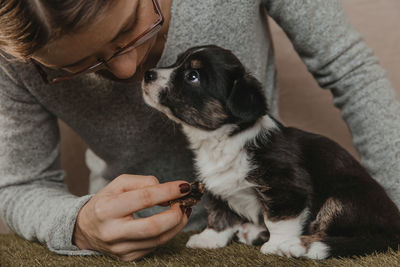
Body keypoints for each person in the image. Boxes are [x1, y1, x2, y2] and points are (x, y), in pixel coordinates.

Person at [0, 0, 399, 261]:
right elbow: (18, 184)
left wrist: (387, 216)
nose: (126, 72)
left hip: (268, 228)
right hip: (131, 246)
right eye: (78, 65)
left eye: (130, 29)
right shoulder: (11, 59)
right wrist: (77, 223)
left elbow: (351, 70)